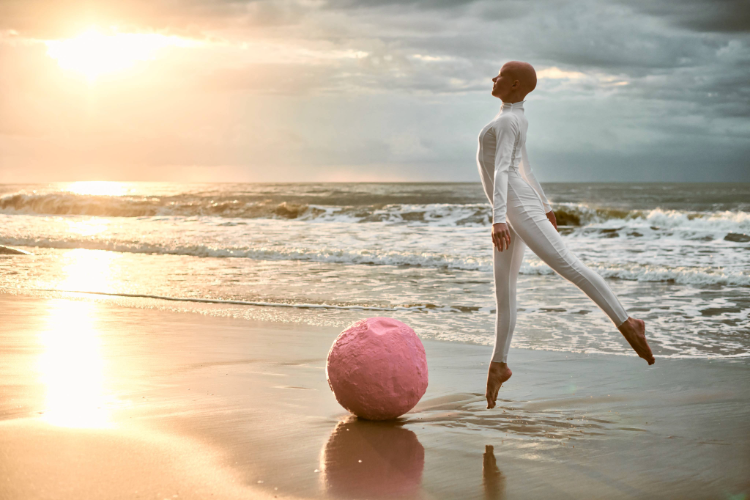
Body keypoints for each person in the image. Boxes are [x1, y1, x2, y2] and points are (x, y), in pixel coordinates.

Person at [476, 61, 655, 410]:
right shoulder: (514, 116)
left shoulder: (510, 120)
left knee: (568, 266)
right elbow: (524, 165)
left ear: (513, 84)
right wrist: (545, 204)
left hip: (515, 207)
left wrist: (502, 217)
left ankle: (628, 322)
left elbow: (503, 171)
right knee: (505, 292)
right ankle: (499, 364)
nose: (492, 79)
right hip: (518, 207)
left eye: (498, 75)